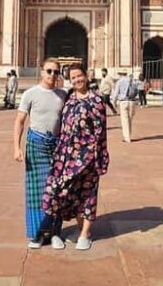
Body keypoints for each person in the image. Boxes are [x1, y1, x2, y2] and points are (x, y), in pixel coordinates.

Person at [40, 63, 110, 251]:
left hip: (88, 158)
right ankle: (62, 231)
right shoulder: (69, 98)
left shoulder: (96, 100)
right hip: (66, 157)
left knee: (87, 195)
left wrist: (100, 157)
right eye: (74, 78)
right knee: (63, 192)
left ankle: (85, 234)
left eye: (80, 76)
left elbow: (101, 132)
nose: (77, 80)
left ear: (86, 76)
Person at [12, 58, 67, 249]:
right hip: (36, 144)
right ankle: (37, 233)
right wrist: (17, 147)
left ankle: (55, 233)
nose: (53, 75)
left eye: (56, 72)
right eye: (49, 71)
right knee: (36, 192)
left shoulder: (63, 94)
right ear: (42, 71)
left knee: (57, 191)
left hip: (57, 146)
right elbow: (19, 121)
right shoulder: (30, 94)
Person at [111, 70, 138, 143]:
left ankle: (127, 137)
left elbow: (116, 93)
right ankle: (128, 135)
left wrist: (114, 102)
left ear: (120, 74)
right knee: (129, 120)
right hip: (132, 101)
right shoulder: (132, 81)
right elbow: (136, 91)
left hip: (123, 101)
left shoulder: (119, 82)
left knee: (124, 120)